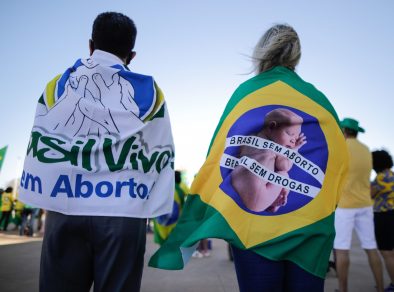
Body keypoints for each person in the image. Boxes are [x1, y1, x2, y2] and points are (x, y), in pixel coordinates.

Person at [149, 24, 348, 292]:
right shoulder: (318, 100)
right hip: (307, 229)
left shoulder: (247, 93)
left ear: (260, 53)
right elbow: (337, 163)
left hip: (254, 230)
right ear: (296, 57)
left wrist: (201, 203)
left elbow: (219, 155)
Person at [19, 12, 175, 292]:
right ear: (132, 54)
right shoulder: (152, 93)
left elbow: (40, 142)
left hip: (65, 206)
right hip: (124, 212)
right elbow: (160, 152)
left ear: (90, 45)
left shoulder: (57, 86)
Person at [334, 117, 384, 292]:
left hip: (345, 205)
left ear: (345, 131)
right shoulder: (366, 150)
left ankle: (343, 289)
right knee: (371, 247)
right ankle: (380, 288)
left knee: (341, 249)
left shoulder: (341, 147)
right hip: (365, 204)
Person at [232, 108, 306, 212]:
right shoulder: (276, 148)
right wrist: (294, 150)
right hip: (257, 200)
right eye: (290, 134)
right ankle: (274, 203)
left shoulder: (250, 138)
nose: (293, 140)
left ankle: (271, 199)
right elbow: (284, 166)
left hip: (236, 185)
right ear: (272, 126)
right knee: (284, 175)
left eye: (296, 138)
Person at [371, 149, 394, 291]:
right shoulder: (391, 175)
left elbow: (369, 194)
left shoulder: (380, 178)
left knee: (387, 252)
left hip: (384, 216)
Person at [153, 171, 187, 245]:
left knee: (162, 246)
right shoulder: (179, 190)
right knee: (172, 246)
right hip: (174, 223)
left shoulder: (160, 188)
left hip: (160, 223)